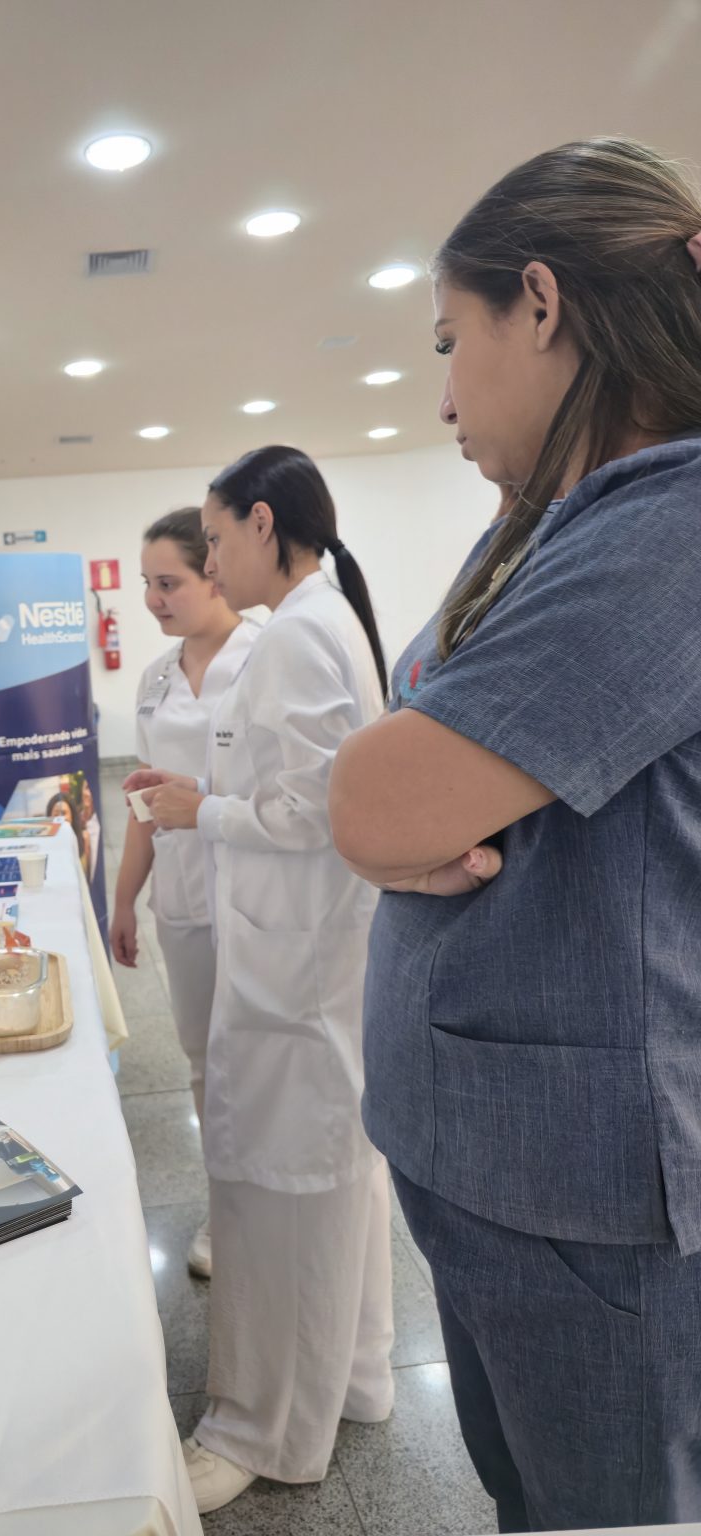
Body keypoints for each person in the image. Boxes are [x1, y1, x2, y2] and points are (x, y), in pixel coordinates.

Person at [328, 138, 701, 1531]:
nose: (442, 397)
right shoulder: (569, 522)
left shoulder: (670, 528)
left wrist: (385, 823)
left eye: (450, 342)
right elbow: (404, 762)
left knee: (599, 1512)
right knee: (531, 1497)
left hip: (585, 1184)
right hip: (504, 1156)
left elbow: (375, 798)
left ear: (539, 304)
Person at [126, 447, 395, 1512]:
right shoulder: (318, 623)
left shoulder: (291, 635)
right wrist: (209, 793)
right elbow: (296, 782)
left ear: (262, 524)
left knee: (280, 1192)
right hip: (302, 955)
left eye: (214, 538)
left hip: (295, 968)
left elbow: (316, 811)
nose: (210, 561)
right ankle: (353, 1378)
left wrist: (205, 810)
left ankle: (265, 1429)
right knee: (325, 1182)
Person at [110, 507, 258, 1277]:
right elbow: (145, 801)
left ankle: (278, 1206)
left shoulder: (266, 659)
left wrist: (202, 798)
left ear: (215, 573)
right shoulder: (156, 679)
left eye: (167, 583)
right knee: (204, 1060)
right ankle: (226, 1208)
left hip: (262, 894)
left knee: (263, 1056)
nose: (152, 600)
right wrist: (123, 899)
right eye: (147, 583)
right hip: (183, 897)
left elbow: (295, 792)